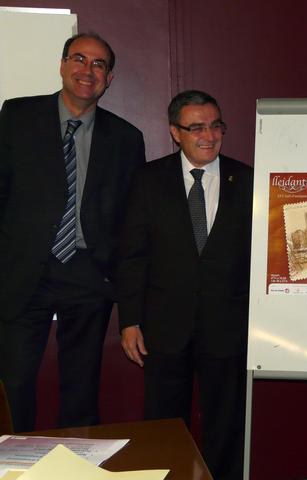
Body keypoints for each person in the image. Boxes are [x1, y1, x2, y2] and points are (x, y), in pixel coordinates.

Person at [0, 32, 145, 432]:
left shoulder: (126, 139)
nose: (88, 70)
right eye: (79, 59)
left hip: (88, 274)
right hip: (24, 272)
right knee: (13, 385)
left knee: (81, 390)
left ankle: (76, 462)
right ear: (63, 65)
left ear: (109, 78)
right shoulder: (17, 116)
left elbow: (132, 221)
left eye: (99, 64)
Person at [116, 90, 253, 480]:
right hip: (164, 328)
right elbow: (132, 255)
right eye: (196, 128)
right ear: (175, 132)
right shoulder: (148, 180)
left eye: (215, 125)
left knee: (226, 427)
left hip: (227, 327)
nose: (209, 136)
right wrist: (129, 320)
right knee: (163, 427)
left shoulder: (246, 180)